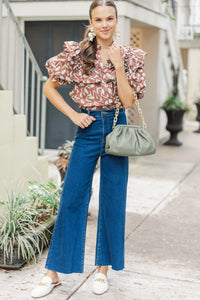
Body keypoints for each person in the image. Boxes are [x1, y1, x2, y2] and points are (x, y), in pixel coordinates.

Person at [31, 0, 147, 297]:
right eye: (99, 19)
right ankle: (52, 272)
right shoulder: (78, 53)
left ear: (117, 20)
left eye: (110, 18)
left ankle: (102, 270)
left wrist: (119, 66)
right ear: (91, 22)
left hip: (118, 127)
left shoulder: (130, 55)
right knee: (72, 198)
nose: (105, 24)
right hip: (89, 127)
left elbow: (129, 101)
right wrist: (73, 114)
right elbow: (49, 87)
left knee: (113, 199)